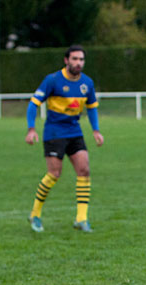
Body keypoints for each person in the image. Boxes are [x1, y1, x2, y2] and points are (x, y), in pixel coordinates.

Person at [25, 45, 103, 233]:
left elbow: (91, 107)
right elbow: (33, 104)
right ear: (66, 60)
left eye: (81, 59)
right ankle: (35, 213)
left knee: (84, 170)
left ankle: (81, 219)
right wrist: (31, 129)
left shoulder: (87, 83)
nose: (78, 63)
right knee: (54, 174)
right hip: (54, 133)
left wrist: (96, 130)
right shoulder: (52, 80)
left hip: (74, 131)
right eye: (75, 59)